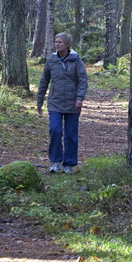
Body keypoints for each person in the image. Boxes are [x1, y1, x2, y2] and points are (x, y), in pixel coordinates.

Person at [37, 32, 88, 174]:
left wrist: (80, 98)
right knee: (55, 130)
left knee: (71, 134)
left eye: (60, 42)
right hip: (55, 103)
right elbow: (44, 81)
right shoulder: (51, 60)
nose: (57, 44)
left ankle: (69, 164)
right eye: (56, 41)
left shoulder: (76, 60)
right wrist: (39, 101)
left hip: (73, 103)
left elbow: (83, 80)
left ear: (67, 44)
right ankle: (56, 162)